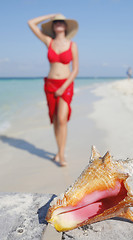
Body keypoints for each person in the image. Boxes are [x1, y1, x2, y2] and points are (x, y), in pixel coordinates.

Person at [28, 14, 79, 166]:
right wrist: (50, 16)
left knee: (62, 119)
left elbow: (75, 70)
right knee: (56, 120)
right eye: (55, 22)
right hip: (50, 84)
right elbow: (31, 23)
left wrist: (63, 87)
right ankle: (58, 151)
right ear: (53, 26)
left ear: (65, 26)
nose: (58, 24)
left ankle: (62, 155)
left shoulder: (72, 45)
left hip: (66, 84)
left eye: (61, 22)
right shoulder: (48, 41)